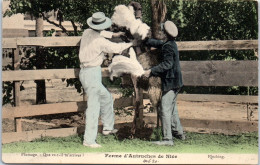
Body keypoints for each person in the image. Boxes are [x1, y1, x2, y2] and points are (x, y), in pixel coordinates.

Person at [79, 12, 136, 148]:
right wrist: (131, 43)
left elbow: (104, 34)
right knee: (94, 106)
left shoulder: (87, 32)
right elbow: (116, 48)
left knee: (106, 98)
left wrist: (116, 35)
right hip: (91, 73)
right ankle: (89, 140)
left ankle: (107, 128)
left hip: (88, 72)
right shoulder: (100, 42)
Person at [143, 21, 185, 146]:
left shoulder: (167, 46)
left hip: (171, 82)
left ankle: (167, 139)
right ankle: (179, 133)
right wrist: (145, 40)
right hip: (177, 82)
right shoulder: (171, 43)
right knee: (172, 109)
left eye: (161, 31)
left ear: (164, 33)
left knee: (164, 109)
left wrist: (151, 71)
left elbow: (167, 64)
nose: (160, 33)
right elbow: (159, 43)